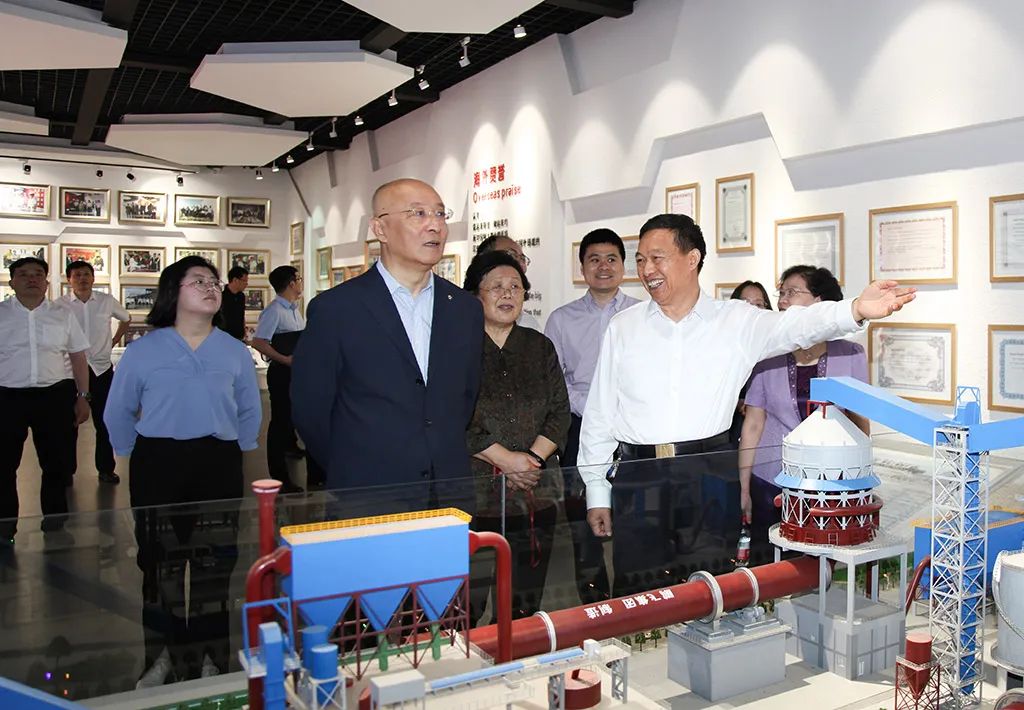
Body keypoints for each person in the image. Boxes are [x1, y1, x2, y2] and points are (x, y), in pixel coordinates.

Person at [578, 213, 915, 592]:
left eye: (658, 258)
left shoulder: (736, 321)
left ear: (692, 259)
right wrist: (596, 490)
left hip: (708, 472)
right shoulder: (624, 327)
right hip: (640, 476)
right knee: (637, 591)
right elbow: (600, 413)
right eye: (641, 260)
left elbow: (797, 325)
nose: (646, 270)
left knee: (710, 594)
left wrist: (853, 309)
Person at [104, 255, 260, 686]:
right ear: (173, 292)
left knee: (214, 568)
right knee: (160, 568)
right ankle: (162, 657)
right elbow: (118, 410)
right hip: (158, 463)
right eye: (199, 281)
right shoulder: (144, 350)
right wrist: (130, 451)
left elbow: (250, 409)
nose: (211, 287)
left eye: (214, 282)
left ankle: (210, 657)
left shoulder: (233, 350)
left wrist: (239, 448)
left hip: (218, 464)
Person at [291, 178, 484, 506]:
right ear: (379, 229)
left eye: (440, 214)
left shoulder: (464, 308)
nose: (435, 225)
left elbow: (465, 398)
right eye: (418, 213)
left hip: (448, 492)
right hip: (368, 491)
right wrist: (352, 467)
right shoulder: (337, 309)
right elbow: (312, 410)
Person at [464, 251, 570, 619]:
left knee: (524, 599)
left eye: (515, 287)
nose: (507, 294)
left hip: (536, 491)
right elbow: (451, 417)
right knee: (467, 603)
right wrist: (505, 460)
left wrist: (532, 461)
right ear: (475, 295)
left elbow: (560, 411)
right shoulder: (457, 348)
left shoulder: (539, 347)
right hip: (475, 493)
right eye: (496, 287)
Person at [739, 266, 869, 541]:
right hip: (770, 478)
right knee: (770, 560)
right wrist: (743, 486)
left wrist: (861, 477)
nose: (782, 301)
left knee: (821, 557)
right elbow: (753, 424)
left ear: (820, 302)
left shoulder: (851, 355)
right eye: (781, 293)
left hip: (831, 480)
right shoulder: (767, 356)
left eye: (792, 292)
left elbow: (859, 422)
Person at [544, 228, 639, 602]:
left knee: (634, 516)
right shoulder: (561, 319)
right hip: (579, 429)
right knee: (582, 524)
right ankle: (594, 603)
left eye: (611, 258)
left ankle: (632, 600)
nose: (603, 266)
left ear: (623, 266)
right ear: (582, 267)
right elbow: (555, 382)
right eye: (594, 259)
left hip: (632, 430)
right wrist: (593, 407)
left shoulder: (641, 314)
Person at [0, 257, 91, 540]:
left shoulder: (62, 314)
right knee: (3, 465)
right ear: (12, 281)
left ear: (46, 282)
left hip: (54, 395)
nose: (32, 279)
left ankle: (55, 522)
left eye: (38, 274)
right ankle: (4, 527)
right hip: (7, 396)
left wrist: (83, 396)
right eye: (24, 274)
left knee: (56, 464)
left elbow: (78, 356)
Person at [61, 259, 131, 485]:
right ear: (69, 279)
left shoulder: (106, 301)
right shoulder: (60, 305)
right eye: (77, 275)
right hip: (70, 371)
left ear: (93, 278)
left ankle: (106, 468)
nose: (82, 278)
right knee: (69, 423)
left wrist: (114, 340)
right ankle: (66, 470)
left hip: (101, 369)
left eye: (86, 274)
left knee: (104, 422)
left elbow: (126, 319)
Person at [252, 265, 315, 493]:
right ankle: (279, 475)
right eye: (299, 279)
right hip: (282, 372)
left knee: (292, 417)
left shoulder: (294, 309)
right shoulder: (275, 311)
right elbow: (259, 342)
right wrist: (284, 360)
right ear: (291, 283)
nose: (301, 282)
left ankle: (291, 448)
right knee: (280, 421)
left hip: (295, 371)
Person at [727, 280, 773, 444]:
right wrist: (739, 403)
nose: (752, 310)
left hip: (769, 426)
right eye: (745, 303)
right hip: (731, 426)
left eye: (758, 304)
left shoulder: (775, 345)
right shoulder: (724, 344)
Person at [476, 234, 541, 330]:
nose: (519, 263)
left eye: (522, 258)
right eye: (511, 255)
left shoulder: (529, 325)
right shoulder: (460, 318)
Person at [219, 266, 248, 340]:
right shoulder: (220, 296)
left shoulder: (241, 296)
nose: (246, 284)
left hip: (239, 337)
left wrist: (244, 332)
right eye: (244, 281)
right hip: (224, 337)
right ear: (235, 280)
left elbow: (242, 315)